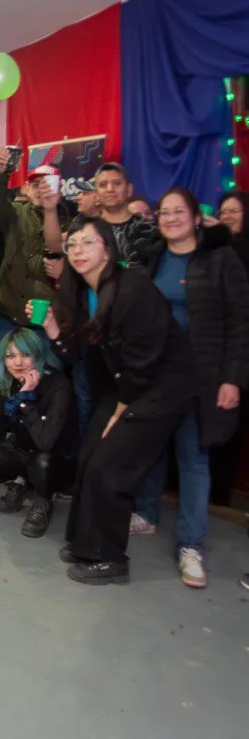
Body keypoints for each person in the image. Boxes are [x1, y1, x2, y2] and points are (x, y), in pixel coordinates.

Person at [42, 218, 196, 585]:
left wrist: (122, 409)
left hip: (160, 387)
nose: (78, 251)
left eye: (88, 243)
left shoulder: (133, 287)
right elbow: (80, 355)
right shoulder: (81, 295)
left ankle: (109, 558)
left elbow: (146, 358)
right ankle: (85, 543)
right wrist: (54, 334)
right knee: (90, 456)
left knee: (109, 466)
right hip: (122, 385)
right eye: (73, 244)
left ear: (108, 250)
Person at [129, 189, 249, 588]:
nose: (171, 218)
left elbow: (239, 322)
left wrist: (232, 378)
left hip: (202, 378)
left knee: (193, 457)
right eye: (165, 212)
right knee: (152, 446)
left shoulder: (220, 260)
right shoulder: (155, 257)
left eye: (180, 211)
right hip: (157, 374)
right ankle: (145, 513)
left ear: (198, 219)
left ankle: (191, 544)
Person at [0, 328, 78, 538]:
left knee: (42, 462)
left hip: (56, 458)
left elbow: (45, 442)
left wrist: (26, 401)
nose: (17, 363)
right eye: (10, 356)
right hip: (21, 448)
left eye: (25, 355)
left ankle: (44, 501)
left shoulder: (58, 385)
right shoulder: (6, 382)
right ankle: (22, 481)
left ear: (37, 355)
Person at [0, 154, 65, 363]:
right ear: (27, 189)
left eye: (48, 184)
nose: (42, 189)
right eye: (36, 184)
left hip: (46, 324)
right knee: (1, 377)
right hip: (7, 316)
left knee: (47, 383)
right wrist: (1, 172)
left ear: (60, 189)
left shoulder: (70, 222)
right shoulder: (15, 214)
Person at [93, 163, 157, 267]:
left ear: (129, 190)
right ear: (96, 194)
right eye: (103, 185)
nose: (110, 189)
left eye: (117, 183)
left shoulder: (149, 230)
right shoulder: (86, 229)